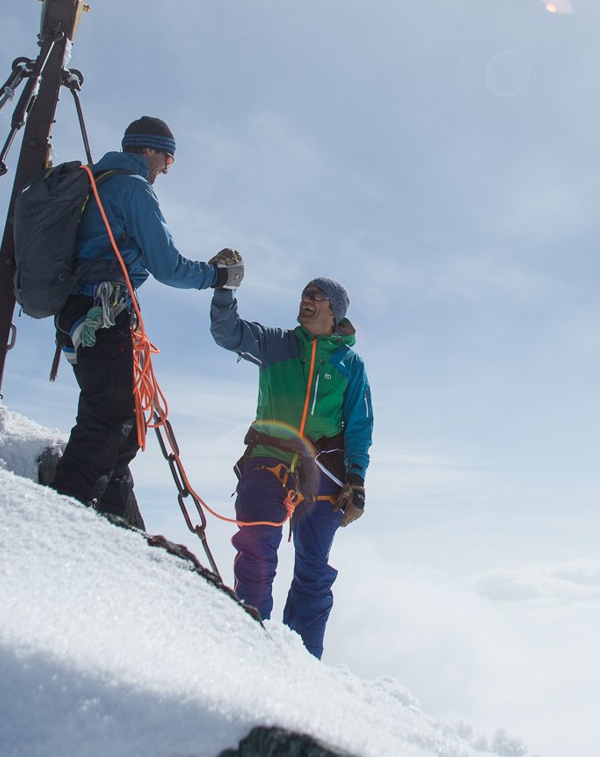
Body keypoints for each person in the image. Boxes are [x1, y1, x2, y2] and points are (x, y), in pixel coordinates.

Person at [49, 115, 243, 529]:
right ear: (152, 150)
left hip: (79, 315)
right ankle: (60, 516)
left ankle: (120, 526)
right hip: (104, 315)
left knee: (121, 422)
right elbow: (167, 266)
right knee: (110, 417)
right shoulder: (133, 189)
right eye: (168, 161)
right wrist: (218, 276)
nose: (165, 171)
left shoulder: (97, 182)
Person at [210, 276, 372, 659]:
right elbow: (226, 332)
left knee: (313, 572)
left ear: (334, 310)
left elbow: (360, 424)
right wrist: (223, 289)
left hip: (324, 469)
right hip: (269, 457)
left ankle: (303, 665)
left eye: (317, 296)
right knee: (257, 548)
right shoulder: (275, 343)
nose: (306, 300)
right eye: (304, 294)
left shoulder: (350, 364)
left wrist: (357, 479)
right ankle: (249, 645)